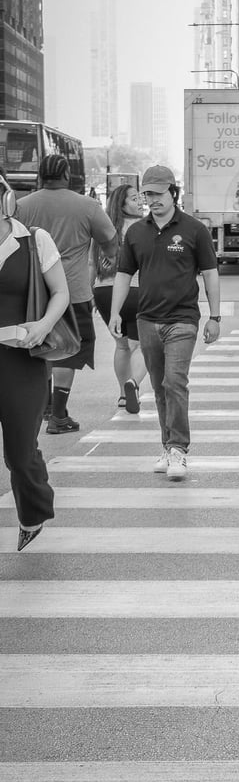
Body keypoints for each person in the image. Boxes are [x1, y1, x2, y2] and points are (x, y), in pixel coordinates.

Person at [109, 165, 220, 482]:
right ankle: (167, 447)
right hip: (147, 319)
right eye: (148, 194)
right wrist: (116, 312)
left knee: (175, 382)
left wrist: (215, 316)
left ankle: (179, 450)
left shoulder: (194, 230)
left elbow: (210, 274)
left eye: (158, 194)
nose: (152, 200)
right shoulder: (136, 233)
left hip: (183, 320)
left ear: (174, 192)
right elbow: (123, 275)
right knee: (158, 388)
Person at [16, 154, 117, 434]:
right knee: (67, 352)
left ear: (40, 176)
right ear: (67, 176)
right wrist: (108, 258)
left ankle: (45, 407)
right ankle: (59, 415)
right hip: (73, 292)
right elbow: (109, 239)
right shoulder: (87, 205)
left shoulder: (21, 206)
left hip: (32, 294)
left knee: (39, 349)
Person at [0, 164, 69, 551]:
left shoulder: (34, 240)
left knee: (21, 453)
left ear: (5, 198)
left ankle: (34, 511)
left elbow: (59, 291)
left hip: (21, 362)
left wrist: (42, 326)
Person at [92, 183, 147, 413]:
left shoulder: (104, 228)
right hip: (133, 290)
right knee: (141, 345)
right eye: (135, 199)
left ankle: (123, 396)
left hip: (103, 291)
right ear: (122, 204)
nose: (141, 202)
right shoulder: (143, 227)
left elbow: (91, 262)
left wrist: (89, 295)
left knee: (122, 346)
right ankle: (132, 384)